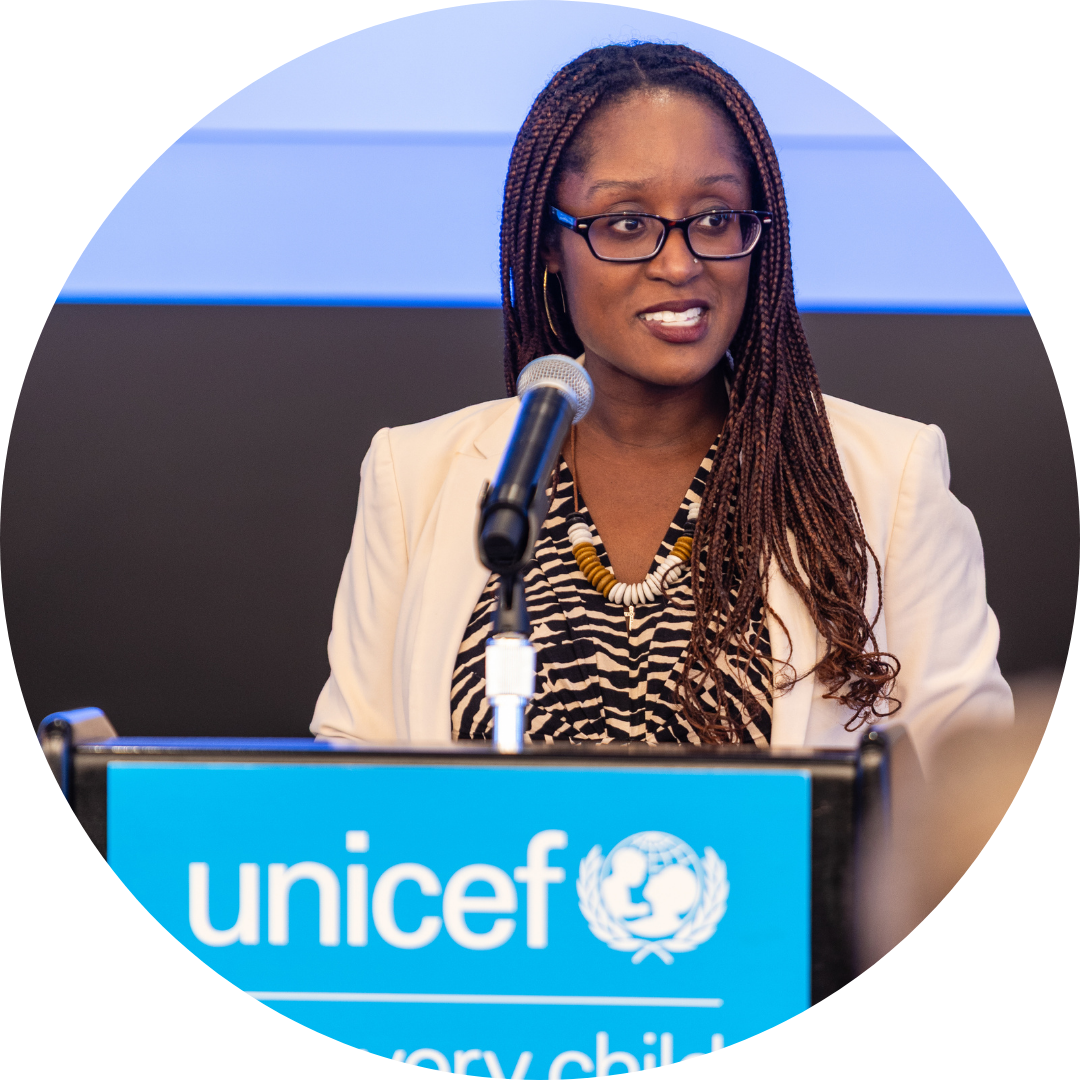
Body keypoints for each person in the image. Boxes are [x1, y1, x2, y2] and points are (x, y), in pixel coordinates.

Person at [310, 42, 1012, 761]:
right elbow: (348, 777)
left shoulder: (891, 475)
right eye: (626, 223)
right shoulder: (414, 475)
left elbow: (972, 790)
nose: (680, 264)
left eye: (714, 218)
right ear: (550, 242)